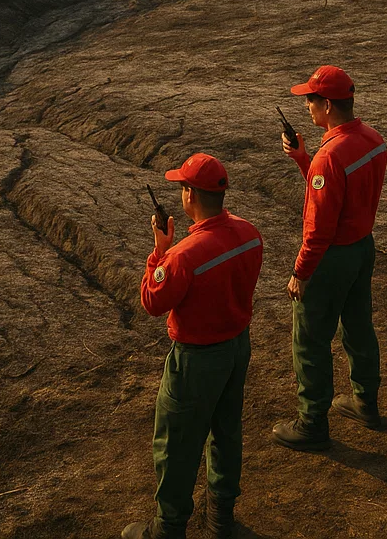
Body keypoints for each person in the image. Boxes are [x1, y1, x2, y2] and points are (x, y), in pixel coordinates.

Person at [123, 152, 263, 539]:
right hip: (237, 349)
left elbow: (153, 302)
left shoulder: (183, 256)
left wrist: (159, 252)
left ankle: (168, 529)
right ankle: (222, 519)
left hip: (197, 361)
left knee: (177, 444)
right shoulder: (250, 232)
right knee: (226, 431)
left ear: (189, 195)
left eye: (182, 186)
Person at [271, 65, 387, 452]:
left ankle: (312, 422)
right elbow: (344, 192)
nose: (306, 107)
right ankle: (366, 402)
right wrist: (304, 159)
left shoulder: (330, 156)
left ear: (326, 104)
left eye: (309, 100)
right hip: (361, 249)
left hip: (331, 259)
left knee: (310, 341)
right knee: (358, 326)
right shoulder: (373, 139)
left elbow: (319, 226)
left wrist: (300, 272)